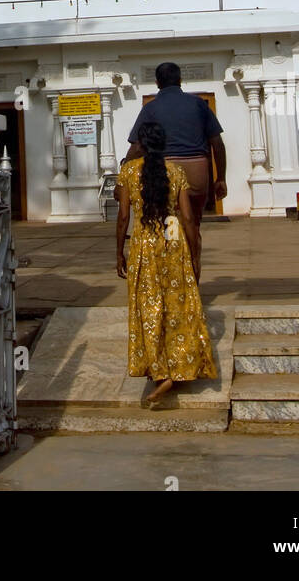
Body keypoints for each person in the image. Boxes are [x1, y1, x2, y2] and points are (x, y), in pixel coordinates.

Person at [115, 120, 217, 408]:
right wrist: (194, 252)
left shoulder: (129, 172)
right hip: (172, 237)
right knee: (179, 306)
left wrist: (118, 252)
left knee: (149, 308)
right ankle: (180, 366)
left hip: (143, 243)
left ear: (142, 145)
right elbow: (184, 217)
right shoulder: (175, 172)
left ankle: (160, 371)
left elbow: (124, 217)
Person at [120, 62, 227, 242]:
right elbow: (217, 144)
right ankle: (194, 263)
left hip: (164, 171)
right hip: (197, 171)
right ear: (180, 80)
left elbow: (137, 147)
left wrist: (122, 176)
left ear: (157, 83)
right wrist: (221, 178)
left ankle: (174, 260)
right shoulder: (199, 104)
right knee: (193, 223)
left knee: (170, 223)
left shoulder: (150, 108)